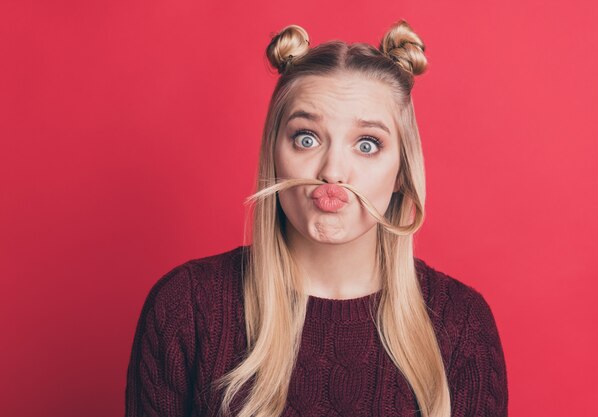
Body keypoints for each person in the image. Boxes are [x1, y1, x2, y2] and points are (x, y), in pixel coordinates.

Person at [124, 20, 508, 417]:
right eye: (306, 138)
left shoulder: (462, 325)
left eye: (367, 144)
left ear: (402, 173)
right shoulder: (186, 308)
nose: (332, 171)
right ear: (273, 154)